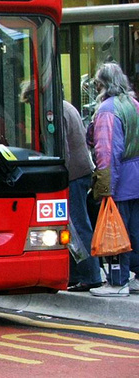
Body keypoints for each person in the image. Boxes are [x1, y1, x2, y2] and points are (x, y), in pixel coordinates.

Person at [23, 83, 101, 291]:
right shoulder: (66, 106)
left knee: (78, 225)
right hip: (81, 171)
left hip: (72, 175)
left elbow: (61, 149)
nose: (31, 106)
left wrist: (56, 177)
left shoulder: (53, 112)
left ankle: (91, 275)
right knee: (74, 226)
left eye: (30, 101)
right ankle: (76, 273)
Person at [88, 62, 139, 297]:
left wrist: (105, 186)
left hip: (120, 181)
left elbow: (107, 151)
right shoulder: (134, 104)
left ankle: (118, 281)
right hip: (136, 177)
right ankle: (136, 276)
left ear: (103, 84)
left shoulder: (108, 110)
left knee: (115, 231)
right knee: (135, 231)